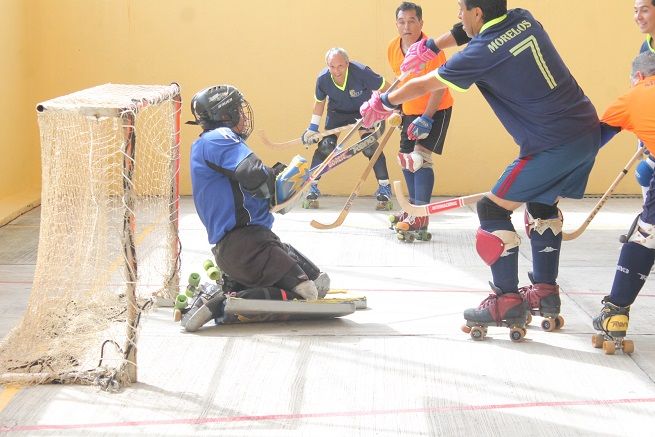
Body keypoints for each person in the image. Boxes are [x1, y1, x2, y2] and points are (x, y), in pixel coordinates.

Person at [360, 0, 601, 337]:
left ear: (477, 12)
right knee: (541, 204)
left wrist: (384, 102)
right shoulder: (522, 18)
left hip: (551, 145)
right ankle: (545, 293)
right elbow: (464, 31)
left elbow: (423, 85)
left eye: (462, 9)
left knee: (492, 209)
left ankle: (506, 301)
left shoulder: (479, 54)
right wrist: (430, 45)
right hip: (585, 130)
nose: (458, 16)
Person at [185, 84, 330, 332]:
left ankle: (235, 286)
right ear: (225, 115)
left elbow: (245, 186)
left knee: (320, 282)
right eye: (238, 111)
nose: (243, 117)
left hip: (249, 244)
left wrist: (279, 183)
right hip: (247, 246)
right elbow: (253, 174)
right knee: (308, 293)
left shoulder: (205, 143)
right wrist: (278, 185)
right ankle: (225, 299)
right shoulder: (220, 137)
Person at [591, 52, 655, 344]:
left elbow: (591, 141)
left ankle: (615, 312)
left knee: (645, 236)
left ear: (639, 77)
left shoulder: (633, 96)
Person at [387, 2, 454, 237]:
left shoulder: (431, 49)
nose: (407, 26)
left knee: (420, 158)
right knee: (406, 159)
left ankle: (421, 214)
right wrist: (396, 108)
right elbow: (401, 79)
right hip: (408, 110)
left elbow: (439, 86)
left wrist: (427, 118)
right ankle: (411, 209)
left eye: (412, 21)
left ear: (421, 23)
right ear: (396, 24)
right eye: (402, 21)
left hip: (436, 109)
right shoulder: (393, 47)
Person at [301, 48, 393, 210]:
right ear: (327, 66)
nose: (336, 71)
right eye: (332, 66)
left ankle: (384, 188)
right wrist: (312, 128)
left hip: (364, 112)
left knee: (369, 146)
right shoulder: (323, 79)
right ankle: (312, 186)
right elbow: (320, 103)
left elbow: (387, 87)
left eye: (340, 66)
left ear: (347, 64)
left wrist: (388, 109)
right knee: (326, 146)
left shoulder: (362, 72)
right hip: (337, 114)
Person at [632, 0, 655, 199]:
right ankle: (649, 221)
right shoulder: (645, 46)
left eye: (644, 10)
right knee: (644, 174)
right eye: (636, 11)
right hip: (649, 124)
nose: (638, 16)